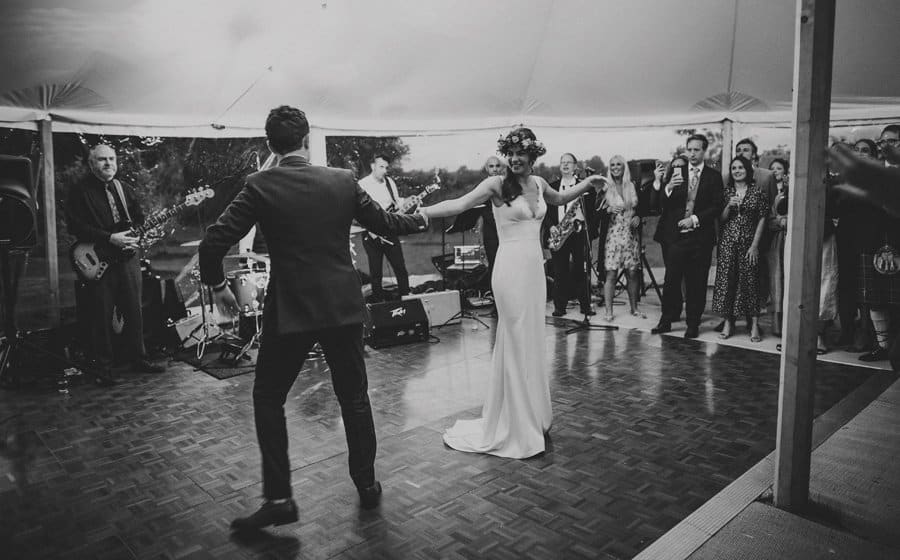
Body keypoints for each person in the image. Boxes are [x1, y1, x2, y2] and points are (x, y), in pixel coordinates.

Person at [199, 106, 429, 531]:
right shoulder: (342, 180)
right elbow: (386, 221)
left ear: (270, 144)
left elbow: (213, 242)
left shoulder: (260, 185)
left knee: (268, 396)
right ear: (306, 139)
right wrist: (422, 218)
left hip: (292, 311)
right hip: (342, 308)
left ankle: (280, 498)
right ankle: (366, 484)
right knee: (354, 397)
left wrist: (217, 289)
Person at [419, 127, 606, 458]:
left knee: (531, 339)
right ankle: (515, 426)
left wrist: (586, 185)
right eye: (512, 153)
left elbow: (560, 199)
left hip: (534, 270)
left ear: (533, 156)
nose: (516, 159)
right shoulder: (495, 185)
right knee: (516, 339)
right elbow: (458, 204)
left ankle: (530, 416)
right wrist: (421, 214)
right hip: (509, 269)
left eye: (522, 153)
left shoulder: (538, 184)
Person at [66, 144, 166, 385]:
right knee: (100, 315)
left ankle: (139, 358)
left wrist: (136, 237)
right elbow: (75, 227)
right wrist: (109, 238)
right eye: (102, 160)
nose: (108, 163)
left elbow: (139, 219)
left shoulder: (124, 189)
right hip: (99, 259)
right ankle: (103, 369)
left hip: (127, 259)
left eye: (111, 159)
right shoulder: (79, 192)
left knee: (134, 310)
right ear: (91, 164)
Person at [651, 135, 725, 338]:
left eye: (696, 150)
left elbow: (717, 207)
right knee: (671, 281)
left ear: (704, 151)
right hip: (676, 238)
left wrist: (694, 219)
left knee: (697, 282)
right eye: (689, 149)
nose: (692, 154)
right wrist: (668, 188)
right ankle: (666, 321)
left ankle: (693, 324)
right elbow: (661, 205)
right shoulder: (677, 173)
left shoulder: (713, 177)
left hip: (701, 239)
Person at [711, 156, 769, 342]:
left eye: (741, 168)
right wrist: (729, 205)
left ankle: (753, 325)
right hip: (728, 242)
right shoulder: (726, 192)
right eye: (734, 168)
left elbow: (762, 219)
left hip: (748, 244)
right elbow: (720, 219)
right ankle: (729, 322)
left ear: (748, 170)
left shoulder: (757, 192)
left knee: (751, 282)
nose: (737, 171)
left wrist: (755, 246)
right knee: (728, 281)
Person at [543, 153, 598, 317]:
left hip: (578, 232)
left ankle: (585, 306)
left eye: (569, 162)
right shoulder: (552, 186)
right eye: (563, 162)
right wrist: (551, 226)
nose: (565, 165)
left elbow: (592, 212)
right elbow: (544, 210)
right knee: (560, 271)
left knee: (582, 269)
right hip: (558, 231)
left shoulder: (585, 186)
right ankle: (560, 307)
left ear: (576, 166)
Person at [358, 154, 411, 301]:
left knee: (400, 268)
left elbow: (396, 203)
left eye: (386, 167)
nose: (384, 170)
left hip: (390, 232)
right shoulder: (362, 184)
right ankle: (378, 306)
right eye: (381, 167)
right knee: (376, 273)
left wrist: (408, 201)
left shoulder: (389, 182)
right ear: (372, 166)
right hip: (371, 235)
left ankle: (406, 300)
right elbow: (359, 211)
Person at [600, 155, 643, 321]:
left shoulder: (631, 186)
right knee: (611, 273)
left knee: (632, 272)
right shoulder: (605, 187)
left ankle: (634, 309)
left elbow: (641, 207)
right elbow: (597, 213)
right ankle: (609, 312)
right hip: (612, 235)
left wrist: (637, 217)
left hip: (630, 235)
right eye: (612, 165)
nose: (615, 167)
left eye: (619, 164)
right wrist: (608, 210)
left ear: (624, 167)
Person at [766, 158, 789, 336]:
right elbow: (766, 217)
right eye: (772, 169)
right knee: (776, 279)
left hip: (792, 238)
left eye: (779, 168)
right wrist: (779, 222)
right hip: (776, 239)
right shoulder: (769, 192)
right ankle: (776, 323)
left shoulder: (790, 190)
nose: (775, 171)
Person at [480, 156, 505, 274]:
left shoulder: (506, 184)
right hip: (492, 234)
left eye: (497, 166)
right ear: (486, 169)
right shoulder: (483, 186)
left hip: (507, 233)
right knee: (494, 266)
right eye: (491, 166)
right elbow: (485, 212)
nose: (494, 169)